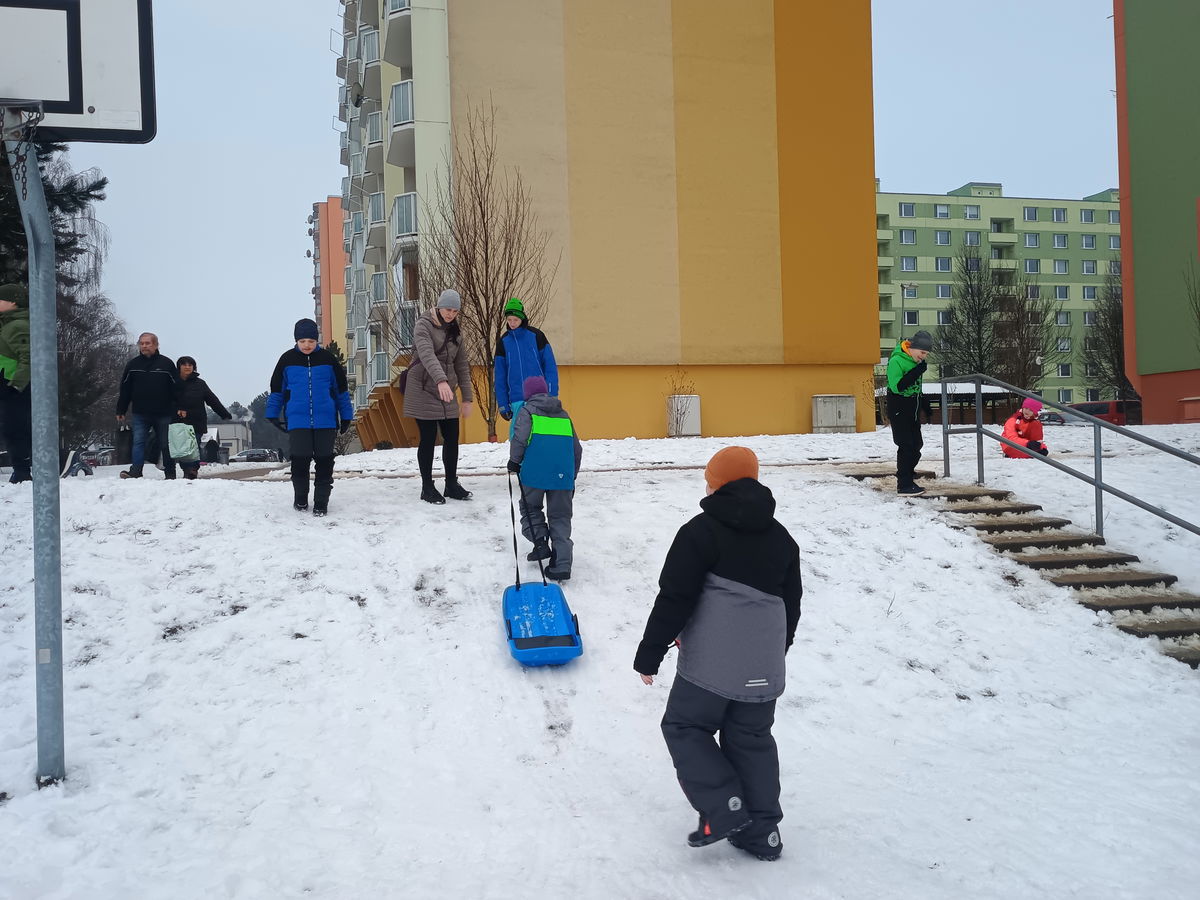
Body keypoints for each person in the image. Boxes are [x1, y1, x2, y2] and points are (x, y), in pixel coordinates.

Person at [634, 447, 802, 862]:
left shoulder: (700, 532)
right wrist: (777, 651)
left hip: (712, 665)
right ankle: (763, 835)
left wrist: (650, 652)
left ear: (717, 485)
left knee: (685, 726)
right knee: (752, 739)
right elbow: (792, 604)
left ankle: (724, 806)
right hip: (765, 665)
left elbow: (675, 597)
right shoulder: (782, 537)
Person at [265, 318, 353, 517]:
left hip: (326, 420)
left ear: (317, 340)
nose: (307, 345)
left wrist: (346, 416)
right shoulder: (287, 360)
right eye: (303, 341)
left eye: (311, 341)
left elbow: (341, 391)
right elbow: (277, 390)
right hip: (298, 420)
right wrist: (272, 413)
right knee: (300, 459)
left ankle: (321, 502)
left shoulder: (328, 359)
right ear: (296, 340)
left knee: (324, 461)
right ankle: (301, 499)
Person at [507, 375, 582, 582]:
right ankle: (562, 564)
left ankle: (540, 542)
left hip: (534, 473)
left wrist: (514, 461)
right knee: (560, 516)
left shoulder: (527, 411)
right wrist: (571, 476)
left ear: (527, 394)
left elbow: (520, 439)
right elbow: (577, 449)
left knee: (530, 507)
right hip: (562, 476)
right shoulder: (564, 416)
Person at [403, 290, 475, 504]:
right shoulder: (423, 325)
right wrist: (441, 380)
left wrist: (467, 398)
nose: (451, 314)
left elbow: (461, 365)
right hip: (424, 387)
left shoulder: (455, 331)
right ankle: (427, 487)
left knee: (452, 436)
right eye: (447, 309)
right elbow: (427, 354)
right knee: (428, 437)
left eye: (455, 311)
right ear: (439, 307)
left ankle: (451, 484)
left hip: (446, 390)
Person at [116, 332, 180, 479]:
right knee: (138, 442)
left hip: (164, 413)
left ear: (156, 345)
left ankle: (170, 473)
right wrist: (121, 409)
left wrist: (179, 408)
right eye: (142, 343)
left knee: (166, 444)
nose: (144, 346)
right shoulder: (132, 365)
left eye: (148, 343)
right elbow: (125, 389)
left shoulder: (167, 364)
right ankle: (136, 471)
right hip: (140, 413)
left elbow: (177, 389)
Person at [494, 297, 558, 432]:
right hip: (516, 402)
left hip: (540, 399)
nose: (512, 323)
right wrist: (503, 404)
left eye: (515, 320)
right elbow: (500, 377)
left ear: (522, 318)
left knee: (540, 436)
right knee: (518, 438)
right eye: (509, 319)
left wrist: (552, 394)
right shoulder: (503, 342)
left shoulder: (536, 336)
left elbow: (550, 367)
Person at [886, 329, 934, 496]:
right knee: (906, 446)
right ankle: (904, 484)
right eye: (922, 352)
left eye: (926, 354)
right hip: (899, 410)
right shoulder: (897, 361)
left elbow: (915, 388)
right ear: (912, 348)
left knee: (917, 445)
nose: (923, 357)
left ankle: (907, 474)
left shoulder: (915, 363)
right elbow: (897, 387)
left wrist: (924, 404)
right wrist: (917, 372)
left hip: (912, 411)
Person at [173, 356, 232, 479]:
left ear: (194, 367)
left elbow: (212, 400)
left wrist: (224, 414)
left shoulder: (200, 384)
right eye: (184, 364)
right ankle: (186, 469)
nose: (187, 367)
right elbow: (167, 400)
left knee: (195, 445)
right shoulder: (172, 382)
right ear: (179, 367)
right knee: (183, 448)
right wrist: (176, 411)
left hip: (196, 420)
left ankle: (193, 469)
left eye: (190, 365)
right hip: (178, 421)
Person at [0, 283, 32, 484]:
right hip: (9, 386)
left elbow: (28, 358)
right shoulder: (8, 324)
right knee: (13, 429)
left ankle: (22, 472)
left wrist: (16, 385)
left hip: (15, 388)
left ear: (13, 302)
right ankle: (20, 470)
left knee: (15, 429)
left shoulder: (18, 325)